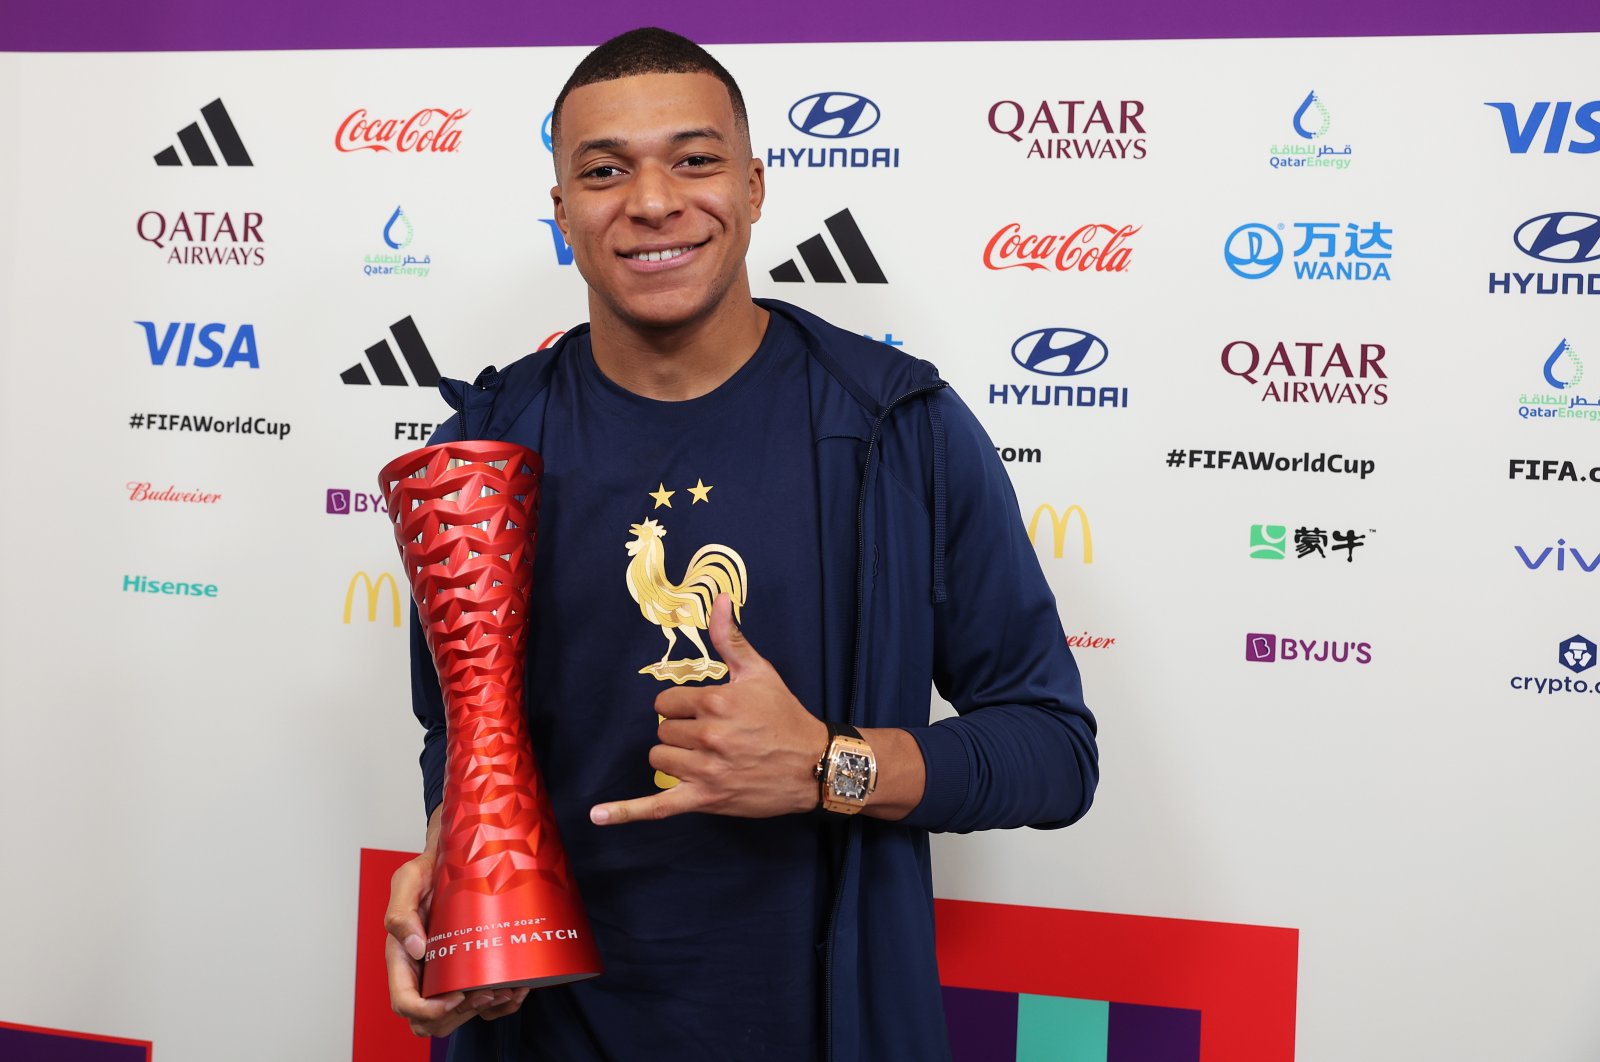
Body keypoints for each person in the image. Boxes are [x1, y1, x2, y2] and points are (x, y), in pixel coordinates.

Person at [384, 27, 1098, 1062]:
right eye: (602, 170)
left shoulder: (898, 427)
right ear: (562, 214)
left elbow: (1053, 751)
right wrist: (454, 887)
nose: (653, 201)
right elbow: (456, 739)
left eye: (695, 158)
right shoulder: (484, 450)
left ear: (755, 186)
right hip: (543, 1036)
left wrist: (825, 765)